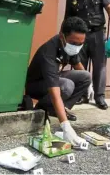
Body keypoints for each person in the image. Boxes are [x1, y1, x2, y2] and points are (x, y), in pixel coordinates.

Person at [25, 17, 90, 146]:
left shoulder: (71, 44)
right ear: (62, 36)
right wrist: (66, 127)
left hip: (55, 78)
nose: (77, 47)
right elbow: (55, 92)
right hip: (36, 85)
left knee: (86, 76)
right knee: (66, 86)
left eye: (80, 44)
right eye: (74, 43)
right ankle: (43, 108)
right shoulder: (49, 51)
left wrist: (90, 85)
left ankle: (60, 109)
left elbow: (78, 65)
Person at [65, 0, 110, 110]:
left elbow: (109, 7)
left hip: (97, 34)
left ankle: (99, 96)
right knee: (80, 65)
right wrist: (64, 37)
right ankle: (83, 95)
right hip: (80, 36)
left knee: (100, 66)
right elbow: (67, 20)